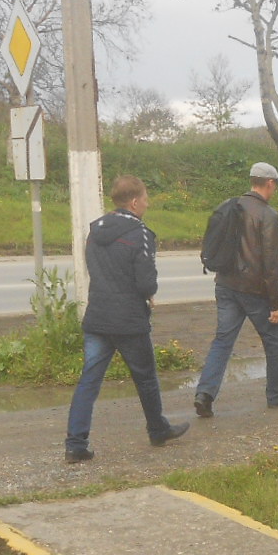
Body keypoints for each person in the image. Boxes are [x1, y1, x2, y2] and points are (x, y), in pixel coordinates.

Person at [63, 175, 189, 462]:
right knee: (145, 377)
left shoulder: (94, 231)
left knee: (89, 380)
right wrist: (148, 294)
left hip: (97, 315)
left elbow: (93, 268)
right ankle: (157, 430)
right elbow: (146, 283)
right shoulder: (140, 233)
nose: (147, 203)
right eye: (145, 198)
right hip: (129, 319)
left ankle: (75, 444)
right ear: (134, 202)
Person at [192, 162, 278, 417]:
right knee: (273, 342)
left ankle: (204, 394)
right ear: (270, 183)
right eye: (275, 186)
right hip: (254, 291)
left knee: (222, 341)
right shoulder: (268, 215)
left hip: (225, 284)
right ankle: (277, 395)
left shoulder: (231, 205)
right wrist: (275, 305)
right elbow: (272, 264)